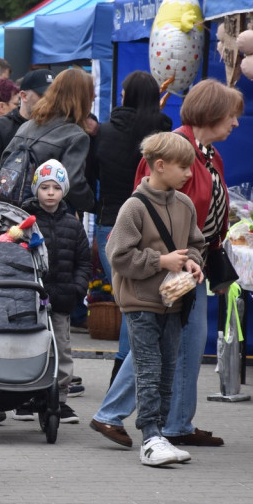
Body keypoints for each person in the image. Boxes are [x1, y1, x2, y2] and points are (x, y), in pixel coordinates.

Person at [91, 79, 243, 449]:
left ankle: (176, 422)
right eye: (232, 115)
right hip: (167, 274)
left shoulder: (206, 153)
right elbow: (151, 212)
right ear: (214, 112)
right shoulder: (177, 150)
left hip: (190, 266)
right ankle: (116, 415)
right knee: (159, 347)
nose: (237, 123)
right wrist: (169, 259)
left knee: (185, 345)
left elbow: (200, 212)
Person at [106, 132, 205, 466]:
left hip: (175, 302)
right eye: (183, 167)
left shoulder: (185, 205)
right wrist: (160, 262)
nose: (189, 173)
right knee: (148, 368)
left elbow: (196, 244)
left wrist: (193, 261)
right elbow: (118, 256)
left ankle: (159, 434)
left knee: (167, 371)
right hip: (140, 303)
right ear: (160, 166)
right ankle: (149, 436)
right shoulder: (134, 207)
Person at [91, 71, 172, 382]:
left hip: (110, 218)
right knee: (144, 300)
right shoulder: (163, 133)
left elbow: (92, 175)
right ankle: (130, 367)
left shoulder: (104, 132)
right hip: (154, 222)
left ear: (125, 96)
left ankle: (123, 368)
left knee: (124, 297)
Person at [10, 160, 89, 424]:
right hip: (31, 297)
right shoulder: (24, 223)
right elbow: (13, 254)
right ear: (36, 189)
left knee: (62, 349)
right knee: (30, 346)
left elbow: (83, 262)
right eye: (45, 187)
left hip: (63, 297)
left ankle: (60, 400)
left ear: (64, 190)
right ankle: (26, 398)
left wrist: (78, 289)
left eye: (56, 187)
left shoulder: (73, 225)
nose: (51, 192)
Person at [0, 67, 95, 212]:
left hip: (17, 212)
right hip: (53, 216)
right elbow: (73, 182)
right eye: (91, 95)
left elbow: (6, 162)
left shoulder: (27, 125)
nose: (94, 97)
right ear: (82, 98)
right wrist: (91, 204)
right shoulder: (76, 135)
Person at [0, 69, 53, 176]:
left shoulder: (57, 127)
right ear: (24, 96)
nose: (50, 102)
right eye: (44, 96)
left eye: (54, 97)